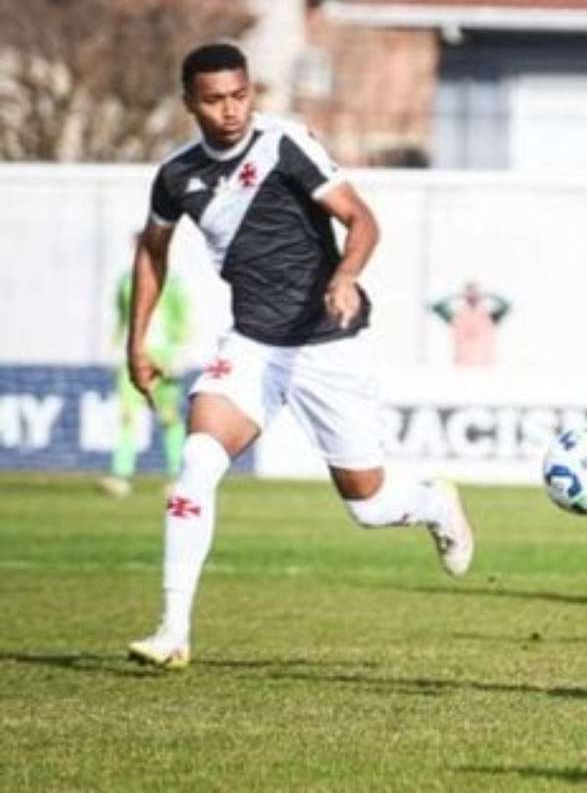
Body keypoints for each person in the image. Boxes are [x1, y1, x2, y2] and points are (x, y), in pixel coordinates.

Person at [125, 43, 474, 671]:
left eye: (239, 95)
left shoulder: (285, 145)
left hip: (328, 343)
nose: (230, 111)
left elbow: (361, 219)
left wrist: (344, 276)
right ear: (189, 104)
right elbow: (151, 251)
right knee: (196, 466)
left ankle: (433, 502)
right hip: (253, 345)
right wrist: (137, 341)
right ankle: (172, 630)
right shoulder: (175, 175)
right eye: (214, 100)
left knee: (368, 506)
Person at [100, 239, 192, 498]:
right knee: (127, 415)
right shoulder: (126, 282)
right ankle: (120, 475)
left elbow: (183, 321)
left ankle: (177, 475)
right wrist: (115, 346)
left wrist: (181, 354)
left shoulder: (173, 284)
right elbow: (122, 318)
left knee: (169, 417)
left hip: (164, 358)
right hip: (133, 356)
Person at [428, 281, 512, 368]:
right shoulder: (457, 317)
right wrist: (458, 296)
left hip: (486, 366)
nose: (472, 297)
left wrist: (487, 295)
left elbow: (507, 306)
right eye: (469, 294)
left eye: (475, 294)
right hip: (462, 366)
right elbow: (436, 307)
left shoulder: (490, 317)